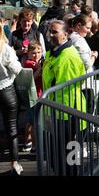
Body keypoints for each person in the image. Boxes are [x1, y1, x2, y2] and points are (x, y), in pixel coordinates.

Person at [42, 20, 86, 176]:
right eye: (50, 31)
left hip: (68, 114)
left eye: (55, 32)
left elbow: (67, 89)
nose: (50, 34)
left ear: (65, 34)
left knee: (70, 160)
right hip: (55, 111)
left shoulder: (68, 56)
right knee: (57, 157)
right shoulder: (53, 52)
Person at [0, 20, 23, 175]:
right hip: (6, 89)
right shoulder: (5, 49)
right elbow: (17, 69)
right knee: (11, 127)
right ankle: (14, 163)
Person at [22, 41, 44, 153]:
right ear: (29, 54)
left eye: (39, 52)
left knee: (31, 120)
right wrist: (40, 69)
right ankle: (34, 145)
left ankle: (28, 143)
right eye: (34, 53)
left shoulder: (38, 62)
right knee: (35, 121)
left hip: (39, 93)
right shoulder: (28, 63)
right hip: (33, 96)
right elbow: (30, 79)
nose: (37, 55)